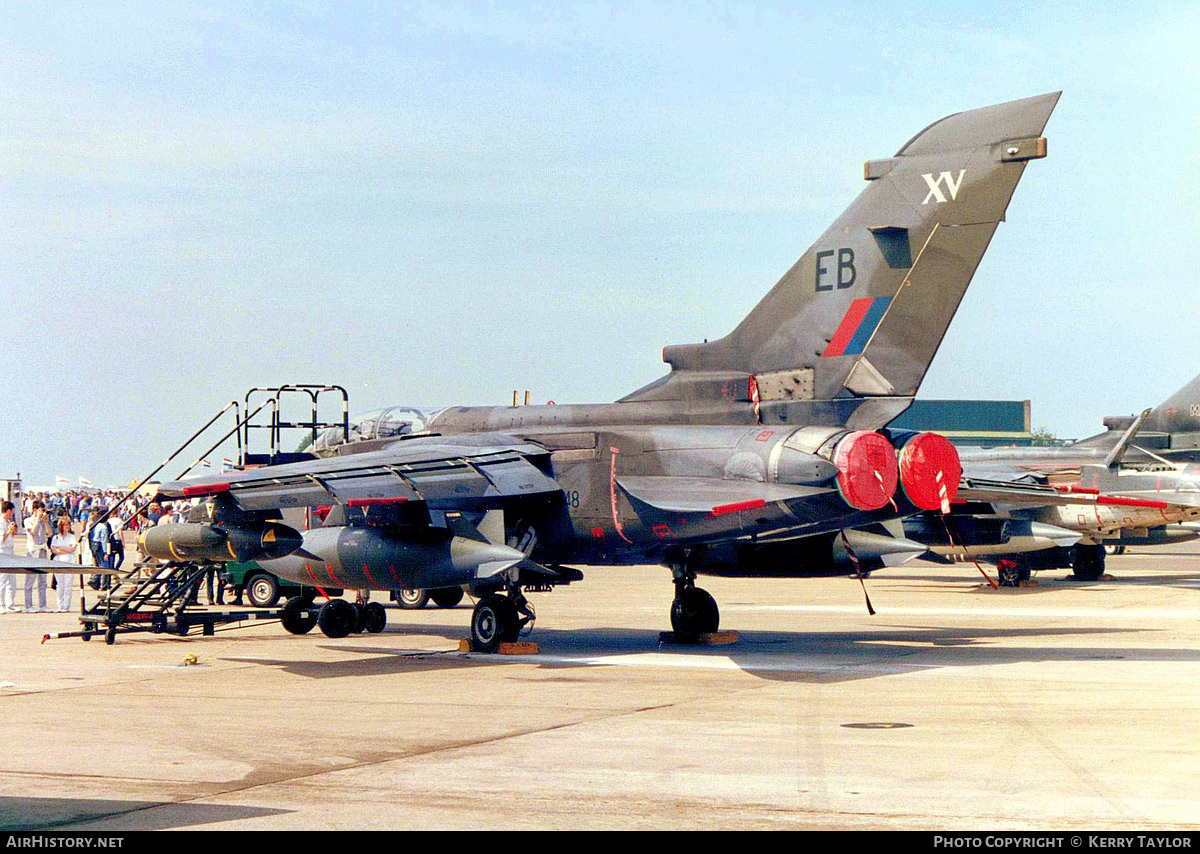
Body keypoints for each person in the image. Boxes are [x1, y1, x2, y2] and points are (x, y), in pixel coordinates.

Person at [22, 502, 51, 612]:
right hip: (33, 550)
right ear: (34, 510)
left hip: (42, 549)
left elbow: (50, 533)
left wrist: (46, 521)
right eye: (40, 510)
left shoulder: (43, 521)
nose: (42, 512)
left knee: (43, 579)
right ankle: (28, 605)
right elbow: (33, 532)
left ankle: (43, 605)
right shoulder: (28, 520)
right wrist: (38, 519)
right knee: (30, 579)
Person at [49, 517, 78, 612]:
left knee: (68, 584)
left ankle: (66, 605)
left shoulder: (72, 537)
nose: (67, 527)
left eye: (68, 525)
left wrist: (60, 547)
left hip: (69, 561)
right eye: (65, 525)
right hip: (59, 561)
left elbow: (72, 549)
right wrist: (65, 549)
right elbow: (54, 550)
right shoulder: (56, 537)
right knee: (60, 584)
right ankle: (60, 605)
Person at [0, 502, 18, 613]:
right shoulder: (1, 522)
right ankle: (0, 604)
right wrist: (9, 531)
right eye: (12, 511)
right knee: (2, 579)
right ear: (8, 510)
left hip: (10, 550)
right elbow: (1, 539)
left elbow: (10, 536)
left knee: (12, 579)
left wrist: (13, 531)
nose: (13, 514)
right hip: (3, 551)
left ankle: (10, 604)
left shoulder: (7, 522)